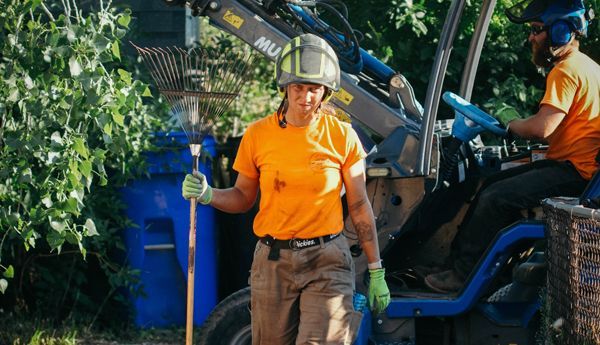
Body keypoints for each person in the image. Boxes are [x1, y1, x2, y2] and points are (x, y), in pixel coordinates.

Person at [182, 33, 390, 344]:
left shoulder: (342, 137)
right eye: (298, 87)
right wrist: (209, 194)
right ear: (285, 87)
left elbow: (360, 206)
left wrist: (375, 269)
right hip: (273, 261)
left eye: (314, 89)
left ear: (326, 92)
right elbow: (242, 198)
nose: (305, 97)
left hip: (327, 260)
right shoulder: (258, 135)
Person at [425, 0, 600, 293]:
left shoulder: (566, 71)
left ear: (559, 31)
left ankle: (462, 276)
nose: (531, 38)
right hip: (577, 169)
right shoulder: (588, 66)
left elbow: (542, 128)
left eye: (535, 30)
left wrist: (511, 125)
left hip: (576, 173)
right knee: (491, 183)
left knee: (495, 197)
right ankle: (456, 265)